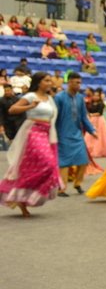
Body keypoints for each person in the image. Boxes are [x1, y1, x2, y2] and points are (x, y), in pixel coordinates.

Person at [0, 72, 62, 217]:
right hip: (33, 132)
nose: (50, 83)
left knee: (40, 166)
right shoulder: (30, 96)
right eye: (47, 80)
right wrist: (30, 106)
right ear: (38, 82)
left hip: (47, 133)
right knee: (48, 163)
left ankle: (23, 197)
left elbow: (52, 117)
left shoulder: (49, 99)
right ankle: (22, 193)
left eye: (50, 81)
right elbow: (12, 109)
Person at [54, 72, 97, 196]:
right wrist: (53, 134)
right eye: (77, 82)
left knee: (83, 160)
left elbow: (83, 117)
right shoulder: (59, 97)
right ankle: (61, 189)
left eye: (80, 83)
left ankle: (77, 183)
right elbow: (54, 117)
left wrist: (92, 130)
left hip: (77, 134)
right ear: (69, 82)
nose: (79, 85)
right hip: (62, 134)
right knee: (64, 163)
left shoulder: (80, 98)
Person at [85, 90, 106, 158]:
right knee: (90, 134)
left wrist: (92, 115)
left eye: (97, 96)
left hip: (99, 120)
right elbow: (88, 111)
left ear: (99, 97)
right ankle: (89, 149)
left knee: (100, 134)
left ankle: (101, 150)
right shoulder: (90, 104)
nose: (95, 97)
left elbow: (100, 113)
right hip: (92, 120)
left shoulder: (101, 104)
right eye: (94, 95)